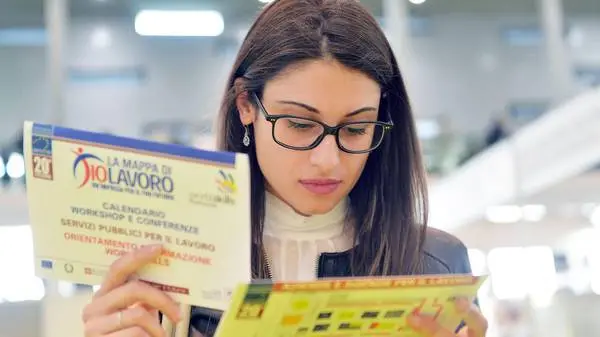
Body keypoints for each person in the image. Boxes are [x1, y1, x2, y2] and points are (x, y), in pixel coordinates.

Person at [81, 1, 488, 336]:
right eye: (298, 124)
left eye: (357, 128)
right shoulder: (172, 264)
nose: (328, 159)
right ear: (245, 106)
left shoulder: (436, 264)